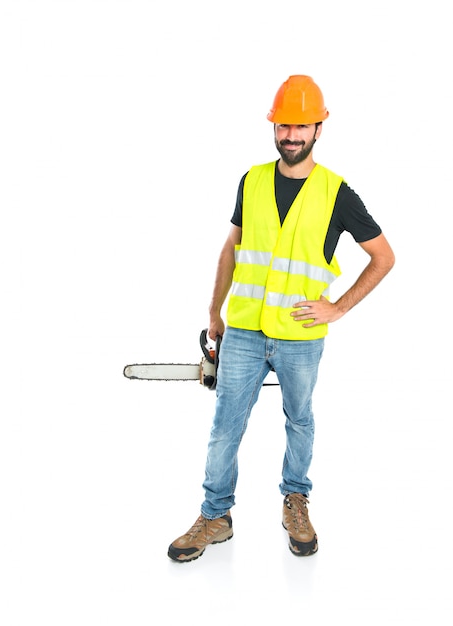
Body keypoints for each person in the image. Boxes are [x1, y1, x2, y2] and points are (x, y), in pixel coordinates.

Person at [168, 75, 395, 562]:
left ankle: (295, 500)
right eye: (284, 126)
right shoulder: (250, 181)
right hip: (245, 331)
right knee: (225, 426)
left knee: (300, 421)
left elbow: (383, 257)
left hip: (300, 335)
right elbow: (231, 248)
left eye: (301, 127)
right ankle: (215, 516)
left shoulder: (337, 193)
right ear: (275, 127)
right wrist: (215, 313)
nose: (291, 135)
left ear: (319, 128)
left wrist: (338, 308)